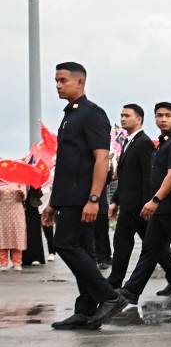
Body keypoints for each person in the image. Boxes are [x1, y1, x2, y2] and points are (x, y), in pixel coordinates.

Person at [43, 62, 124, 330]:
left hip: (82, 197)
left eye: (62, 80)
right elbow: (66, 165)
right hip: (68, 196)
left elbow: (101, 159)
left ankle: (109, 296)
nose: (57, 85)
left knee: (64, 244)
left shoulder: (92, 114)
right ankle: (85, 309)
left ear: (80, 82)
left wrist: (94, 199)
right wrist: (53, 203)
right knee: (85, 252)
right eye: (56, 80)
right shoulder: (70, 115)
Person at [113, 102, 171, 308]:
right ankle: (131, 291)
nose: (163, 119)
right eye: (159, 115)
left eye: (168, 115)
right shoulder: (164, 142)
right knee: (150, 250)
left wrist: (155, 200)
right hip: (162, 208)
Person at [107, 103, 171, 291]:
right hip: (129, 204)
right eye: (122, 115)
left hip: (139, 207)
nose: (123, 118)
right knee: (153, 247)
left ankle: (115, 282)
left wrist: (149, 204)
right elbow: (126, 178)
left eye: (127, 115)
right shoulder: (128, 142)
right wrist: (115, 201)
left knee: (130, 244)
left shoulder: (143, 143)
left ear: (139, 119)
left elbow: (148, 177)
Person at [0, 181, 27, 270]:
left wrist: (21, 194)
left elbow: (23, 197)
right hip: (2, 212)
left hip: (16, 212)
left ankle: (17, 262)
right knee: (2, 236)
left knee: (17, 235)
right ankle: (3, 263)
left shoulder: (19, 181)